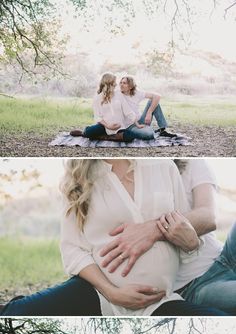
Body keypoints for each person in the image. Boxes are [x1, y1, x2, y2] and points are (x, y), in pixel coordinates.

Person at [0, 159, 228, 317]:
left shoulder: (164, 167)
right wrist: (113, 292)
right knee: (16, 314)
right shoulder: (79, 180)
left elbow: (187, 235)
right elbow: (72, 249)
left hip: (157, 302)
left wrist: (192, 244)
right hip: (98, 294)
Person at [100, 159, 236, 315]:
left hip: (225, 256)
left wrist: (153, 229)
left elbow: (208, 216)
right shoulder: (127, 177)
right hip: (194, 287)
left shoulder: (192, 163)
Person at [70, 72, 141, 142]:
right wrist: (108, 126)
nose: (116, 84)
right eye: (114, 82)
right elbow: (98, 117)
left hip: (118, 128)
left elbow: (128, 112)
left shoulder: (119, 94)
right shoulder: (97, 98)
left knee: (130, 136)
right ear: (109, 84)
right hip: (104, 127)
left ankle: (104, 137)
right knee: (89, 131)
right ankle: (84, 133)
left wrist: (137, 124)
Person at [119, 75, 177, 140]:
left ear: (130, 86)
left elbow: (157, 96)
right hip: (130, 126)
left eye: (124, 83)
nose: (121, 85)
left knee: (153, 101)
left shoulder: (136, 93)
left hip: (140, 120)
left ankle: (162, 130)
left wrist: (149, 112)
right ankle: (145, 131)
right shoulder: (118, 95)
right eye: (121, 83)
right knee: (148, 135)